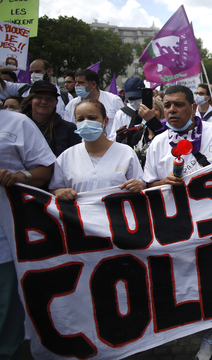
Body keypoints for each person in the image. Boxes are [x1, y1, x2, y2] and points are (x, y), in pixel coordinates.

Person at [142, 85, 212, 360]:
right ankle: (206, 337)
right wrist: (164, 182)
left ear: (194, 108)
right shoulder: (159, 142)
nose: (171, 110)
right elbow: (150, 183)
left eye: (178, 105)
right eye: (168, 105)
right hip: (181, 228)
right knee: (194, 284)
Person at [0, 109, 56, 360]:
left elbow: (46, 170)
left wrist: (20, 177)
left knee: (6, 309)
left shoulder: (17, 123)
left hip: (6, 237)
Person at [49, 99, 145, 198]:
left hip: (116, 212)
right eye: (81, 119)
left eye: (92, 118)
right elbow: (55, 189)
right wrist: (59, 192)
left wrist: (139, 185)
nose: (86, 123)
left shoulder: (125, 153)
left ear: (106, 121)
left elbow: (141, 184)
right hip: (79, 213)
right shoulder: (67, 157)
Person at [21, 81, 81, 157]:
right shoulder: (20, 125)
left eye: (49, 99)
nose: (43, 102)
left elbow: (74, 158)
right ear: (30, 100)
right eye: (39, 97)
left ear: (56, 102)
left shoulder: (69, 129)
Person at [109, 77, 148, 145]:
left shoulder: (151, 110)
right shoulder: (120, 114)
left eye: (138, 98)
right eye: (131, 99)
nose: (135, 101)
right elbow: (111, 139)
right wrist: (118, 137)